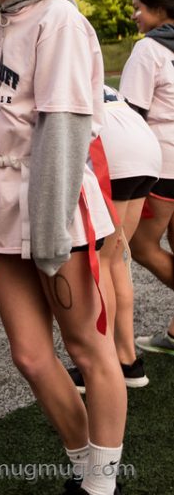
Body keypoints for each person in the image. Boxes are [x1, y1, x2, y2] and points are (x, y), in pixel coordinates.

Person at [0, 0, 127, 495]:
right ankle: (85, 460)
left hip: (53, 204)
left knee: (88, 347)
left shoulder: (58, 20)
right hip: (3, 204)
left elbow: (64, 124)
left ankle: (100, 485)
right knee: (31, 356)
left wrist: (50, 228)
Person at [67, 85, 161, 392]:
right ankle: (127, 360)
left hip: (113, 146)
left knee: (104, 261)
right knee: (116, 259)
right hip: (145, 143)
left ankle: (104, 359)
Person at [119, 0, 174, 356]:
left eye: (139, 7)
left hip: (162, 163)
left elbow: (130, 114)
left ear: (159, 9)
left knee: (140, 246)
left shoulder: (149, 50)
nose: (135, 15)